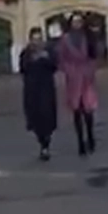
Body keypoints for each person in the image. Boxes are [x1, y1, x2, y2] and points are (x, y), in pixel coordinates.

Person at [58, 13, 99, 156]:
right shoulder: (65, 39)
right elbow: (62, 58)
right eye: (74, 21)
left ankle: (91, 137)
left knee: (88, 110)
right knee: (77, 111)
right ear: (70, 23)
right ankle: (80, 142)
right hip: (73, 79)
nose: (77, 24)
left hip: (87, 78)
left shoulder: (87, 37)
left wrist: (91, 70)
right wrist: (68, 70)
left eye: (79, 21)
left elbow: (94, 56)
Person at [19, 27, 59, 161]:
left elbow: (54, 66)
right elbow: (23, 69)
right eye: (34, 39)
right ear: (30, 40)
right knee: (35, 118)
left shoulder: (48, 51)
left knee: (47, 115)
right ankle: (41, 141)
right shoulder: (26, 53)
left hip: (46, 88)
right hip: (32, 90)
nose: (37, 42)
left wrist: (46, 59)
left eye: (39, 39)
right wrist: (32, 60)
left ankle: (46, 143)